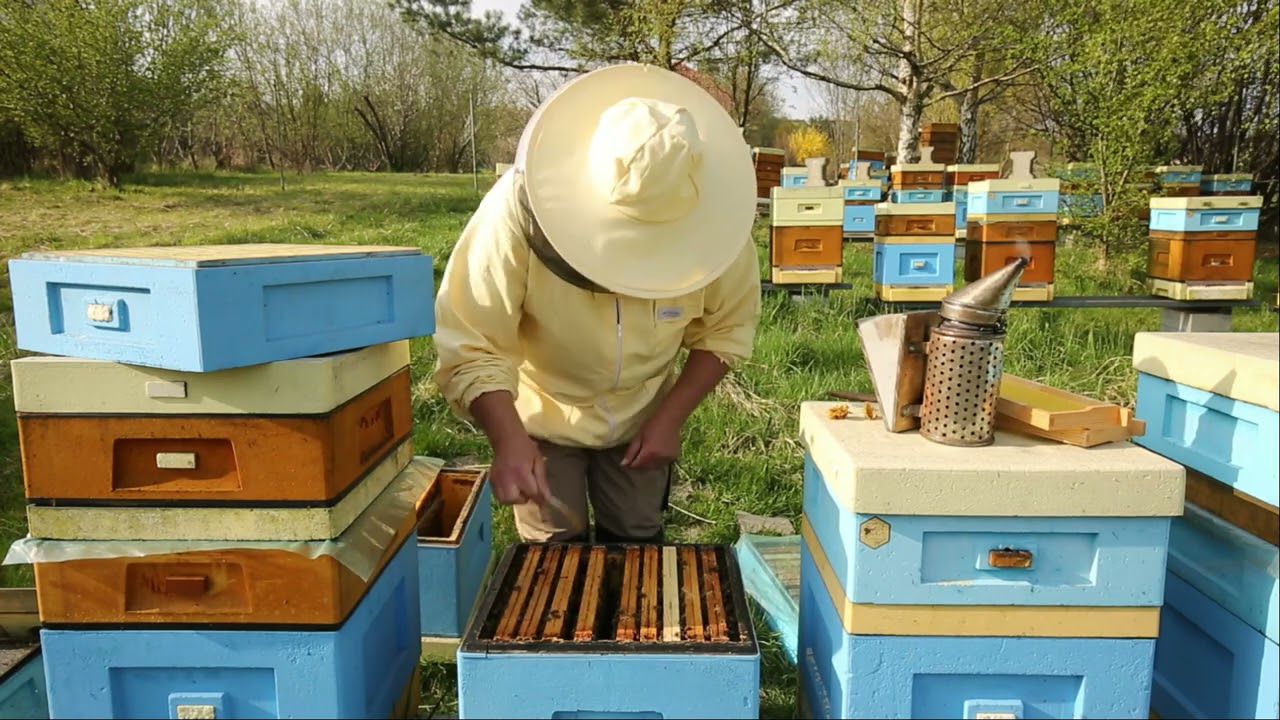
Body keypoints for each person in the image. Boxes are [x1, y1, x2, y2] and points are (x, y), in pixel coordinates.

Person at [432, 63, 762, 545]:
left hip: (644, 412)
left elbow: (727, 329)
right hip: (542, 412)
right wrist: (508, 440)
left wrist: (670, 419)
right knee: (553, 551)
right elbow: (472, 336)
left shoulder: (722, 228)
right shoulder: (512, 214)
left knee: (637, 536)